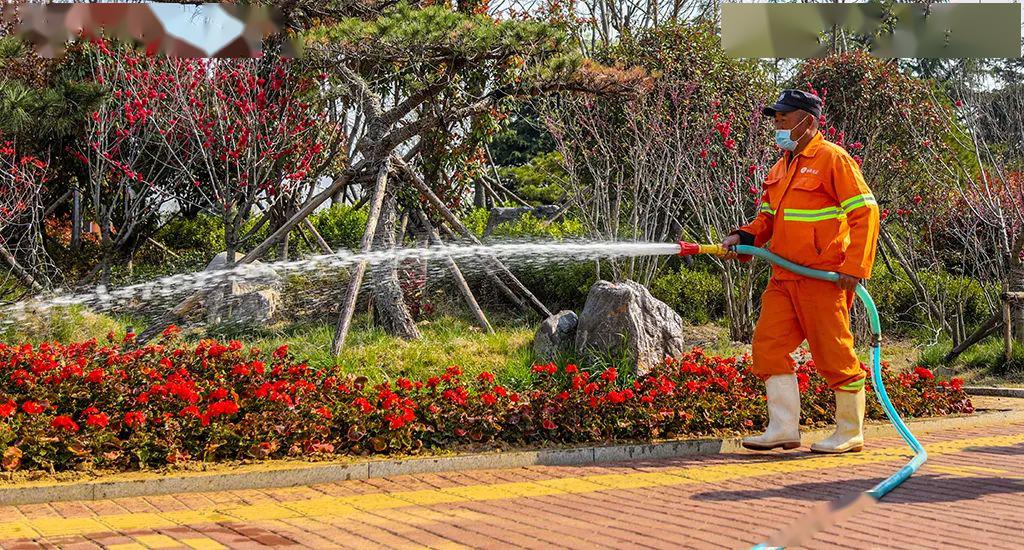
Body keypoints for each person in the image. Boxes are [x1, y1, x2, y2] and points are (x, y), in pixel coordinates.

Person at [721, 89, 880, 454]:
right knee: (768, 347)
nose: (777, 123)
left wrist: (855, 266)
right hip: (783, 276)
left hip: (823, 277)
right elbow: (768, 219)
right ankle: (782, 429)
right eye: (775, 117)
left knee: (833, 353)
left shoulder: (833, 159)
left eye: (784, 116)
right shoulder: (780, 166)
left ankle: (849, 431)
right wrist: (743, 235)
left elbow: (865, 213)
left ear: (807, 121)